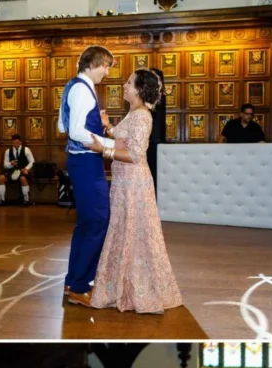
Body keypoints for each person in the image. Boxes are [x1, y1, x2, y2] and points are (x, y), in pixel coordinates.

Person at [85, 70, 183, 315]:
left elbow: (135, 155)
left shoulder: (141, 116)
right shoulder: (134, 113)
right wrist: (108, 127)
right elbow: (123, 139)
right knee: (124, 230)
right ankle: (121, 286)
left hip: (134, 184)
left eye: (129, 82)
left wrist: (102, 150)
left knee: (134, 233)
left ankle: (137, 290)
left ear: (139, 89)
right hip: (124, 182)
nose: (124, 85)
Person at [58, 45, 118, 305]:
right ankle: (80, 287)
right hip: (86, 163)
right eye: (106, 66)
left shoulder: (73, 85)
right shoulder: (83, 89)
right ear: (94, 64)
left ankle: (73, 281)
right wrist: (111, 145)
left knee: (86, 224)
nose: (107, 72)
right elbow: (76, 132)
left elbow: (61, 125)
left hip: (80, 162)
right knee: (97, 222)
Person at [0, 133, 34, 206]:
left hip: (22, 170)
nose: (15, 144)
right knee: (1, 178)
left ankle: (26, 200)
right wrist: (11, 164)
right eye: (14, 142)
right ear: (12, 143)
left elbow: (32, 161)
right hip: (12, 171)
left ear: (20, 142)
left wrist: (26, 168)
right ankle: (2, 199)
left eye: (17, 142)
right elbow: (5, 165)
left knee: (23, 179)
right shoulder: (8, 151)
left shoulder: (26, 150)